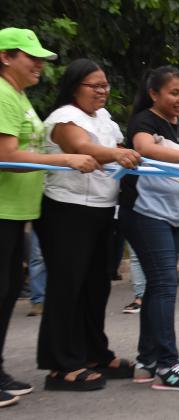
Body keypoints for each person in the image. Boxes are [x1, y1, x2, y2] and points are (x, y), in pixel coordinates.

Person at [0, 27, 98, 407]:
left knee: (8, 292)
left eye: (42, 58)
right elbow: (7, 155)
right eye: (31, 57)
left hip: (19, 212)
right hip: (4, 212)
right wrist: (65, 159)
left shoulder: (19, 96)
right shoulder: (4, 94)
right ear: (6, 57)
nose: (39, 64)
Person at [36, 58, 141, 391]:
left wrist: (126, 152)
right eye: (94, 86)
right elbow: (80, 148)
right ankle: (60, 364)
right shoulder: (64, 118)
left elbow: (117, 148)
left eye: (104, 85)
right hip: (67, 211)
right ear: (73, 87)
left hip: (100, 210)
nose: (102, 91)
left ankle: (94, 352)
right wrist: (117, 154)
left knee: (96, 287)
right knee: (68, 287)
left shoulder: (105, 119)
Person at [119, 65, 179, 391]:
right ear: (154, 93)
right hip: (145, 213)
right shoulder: (145, 120)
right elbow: (143, 148)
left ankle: (147, 361)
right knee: (165, 284)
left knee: (158, 287)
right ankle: (169, 366)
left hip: (170, 214)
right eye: (174, 93)